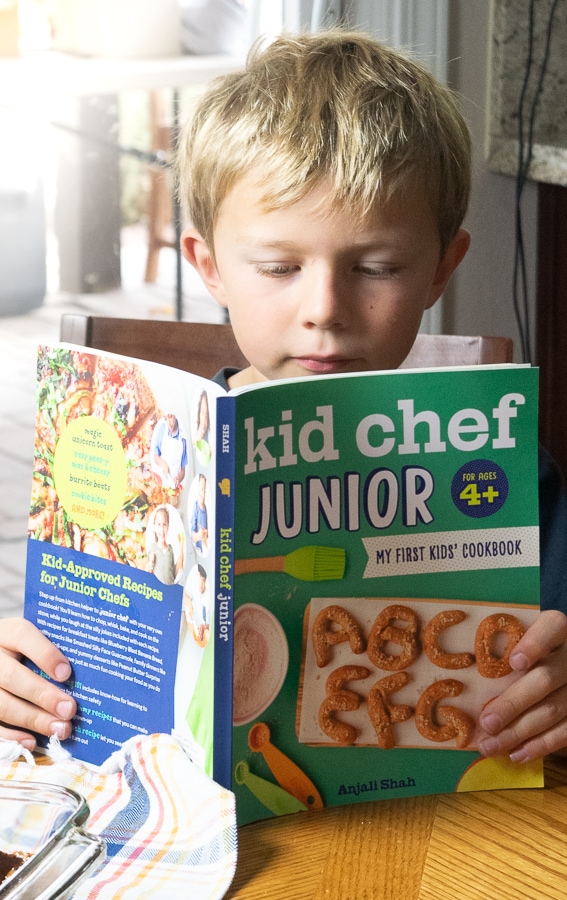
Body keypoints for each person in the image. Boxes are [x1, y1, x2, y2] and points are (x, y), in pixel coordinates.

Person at [1, 30, 566, 763]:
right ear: (208, 266)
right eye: (276, 267)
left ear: (439, 270)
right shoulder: (150, 456)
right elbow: (63, 676)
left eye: (378, 267)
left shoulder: (505, 471)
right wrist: (24, 681)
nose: (324, 308)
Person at [147, 505, 185, 585]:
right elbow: (146, 573)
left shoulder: (170, 549)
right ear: (154, 526)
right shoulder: (152, 547)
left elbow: (173, 574)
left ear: (168, 526)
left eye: (164, 525)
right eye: (159, 524)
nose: (162, 529)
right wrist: (151, 563)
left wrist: (181, 557)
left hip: (170, 590)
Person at [151, 412, 188, 490]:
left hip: (174, 487)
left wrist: (178, 479)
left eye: (170, 417)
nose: (168, 423)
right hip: (160, 481)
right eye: (165, 419)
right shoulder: (162, 429)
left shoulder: (183, 438)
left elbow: (183, 470)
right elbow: (155, 456)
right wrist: (163, 464)